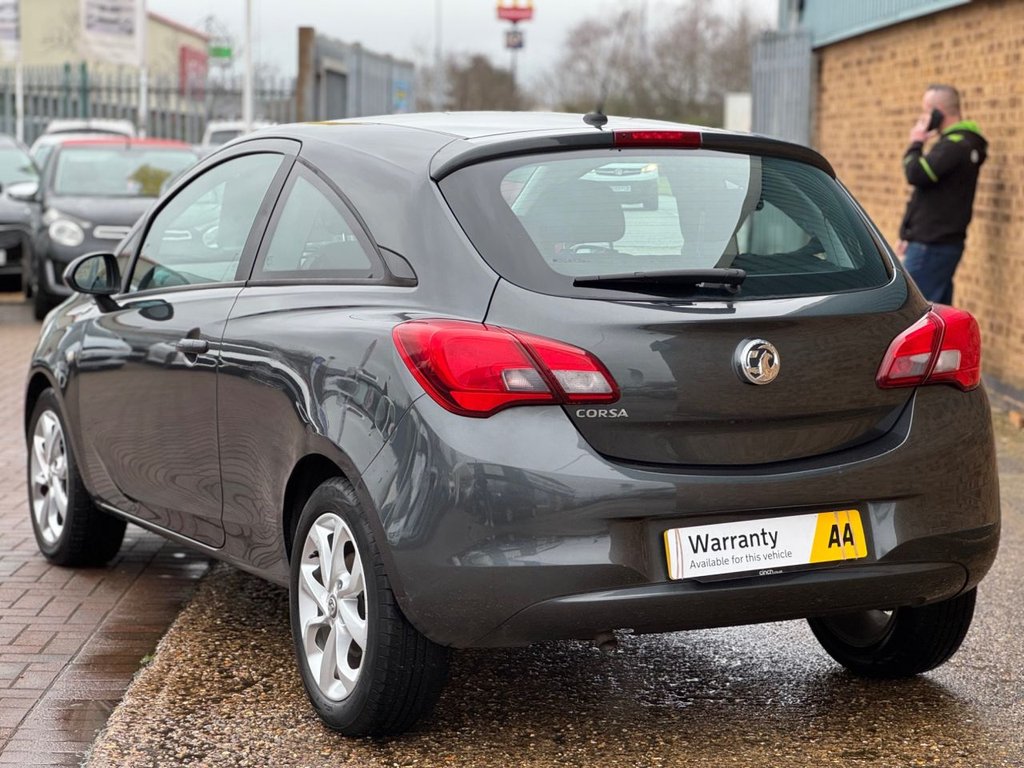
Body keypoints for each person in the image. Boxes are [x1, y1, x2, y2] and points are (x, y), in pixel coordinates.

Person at [896, 84, 987, 304]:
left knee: (913, 310)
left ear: (938, 113)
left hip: (931, 245)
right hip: (934, 243)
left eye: (926, 111)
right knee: (939, 314)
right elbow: (926, 193)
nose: (923, 118)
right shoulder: (959, 144)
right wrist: (908, 234)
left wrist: (916, 142)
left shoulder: (954, 146)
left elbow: (915, 173)